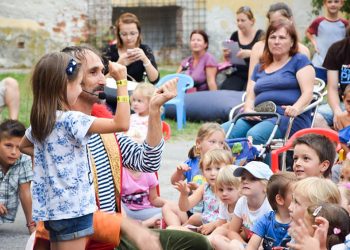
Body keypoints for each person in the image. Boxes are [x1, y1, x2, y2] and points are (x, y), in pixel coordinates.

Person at [33, 45, 212, 250]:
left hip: (114, 234)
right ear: (68, 81)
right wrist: (128, 226)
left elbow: (148, 161)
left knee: (197, 243)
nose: (102, 79)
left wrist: (154, 111)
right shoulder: (55, 133)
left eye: (102, 71)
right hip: (82, 239)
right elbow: (69, 210)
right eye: (93, 72)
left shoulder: (103, 125)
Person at [19, 52, 131, 249]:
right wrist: (122, 82)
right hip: (75, 210)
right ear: (64, 86)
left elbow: (24, 146)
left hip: (53, 209)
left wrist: (53, 159)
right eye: (79, 85)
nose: (80, 90)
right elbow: (121, 123)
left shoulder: (42, 121)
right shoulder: (72, 120)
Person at [223, 20, 314, 145]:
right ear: (267, 42)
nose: (276, 41)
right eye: (272, 37)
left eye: (282, 37)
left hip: (287, 118)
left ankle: (262, 165)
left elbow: (308, 92)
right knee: (220, 133)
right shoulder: (260, 67)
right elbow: (250, 95)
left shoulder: (299, 61)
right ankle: (228, 164)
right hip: (258, 116)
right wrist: (249, 109)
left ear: (292, 42)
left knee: (255, 135)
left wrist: (296, 108)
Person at [166, 122, 226, 218]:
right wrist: (179, 172)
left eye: (221, 143)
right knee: (168, 206)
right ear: (198, 143)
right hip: (190, 207)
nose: (217, 146)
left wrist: (199, 188)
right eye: (212, 142)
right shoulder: (191, 162)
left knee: (195, 218)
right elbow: (174, 182)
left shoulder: (224, 165)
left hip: (212, 213)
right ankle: (181, 227)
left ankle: (186, 227)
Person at [210, 161, 273, 249]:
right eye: (243, 178)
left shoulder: (270, 206)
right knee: (217, 240)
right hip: (247, 245)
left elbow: (271, 239)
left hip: (263, 246)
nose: (245, 181)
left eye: (253, 178)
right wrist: (245, 246)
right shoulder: (242, 202)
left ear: (266, 186)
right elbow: (232, 232)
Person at [104, 12, 159, 83]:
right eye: (124, 34)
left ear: (138, 33)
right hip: (114, 91)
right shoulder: (109, 50)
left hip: (136, 92)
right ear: (118, 34)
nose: (128, 38)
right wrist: (119, 64)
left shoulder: (145, 50)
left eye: (132, 33)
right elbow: (103, 81)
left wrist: (145, 60)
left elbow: (154, 80)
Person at [246, 172, 297, 250]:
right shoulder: (265, 220)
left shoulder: (300, 221)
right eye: (295, 196)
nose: (300, 197)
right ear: (280, 199)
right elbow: (251, 246)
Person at [0, 120, 34, 233]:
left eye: (18, 147)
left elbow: (25, 192)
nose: (14, 152)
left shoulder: (24, 160)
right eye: (8, 146)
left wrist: (31, 224)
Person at [220, 6, 264, 91]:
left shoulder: (260, 35)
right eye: (238, 20)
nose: (239, 23)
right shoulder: (235, 35)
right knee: (226, 90)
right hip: (238, 73)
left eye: (243, 20)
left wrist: (249, 53)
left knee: (247, 94)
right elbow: (229, 61)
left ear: (252, 21)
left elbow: (267, 55)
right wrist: (227, 55)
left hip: (256, 74)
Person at [314, 32, 350, 129]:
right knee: (314, 118)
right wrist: (337, 111)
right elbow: (332, 87)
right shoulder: (337, 49)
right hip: (344, 103)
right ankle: (336, 142)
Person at [306, 0, 348, 75]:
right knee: (319, 86)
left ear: (341, 3)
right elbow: (308, 32)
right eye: (329, 2)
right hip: (319, 64)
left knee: (340, 86)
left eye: (336, 1)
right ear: (325, 4)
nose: (333, 4)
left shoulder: (345, 24)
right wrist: (315, 43)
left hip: (340, 65)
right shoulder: (318, 22)